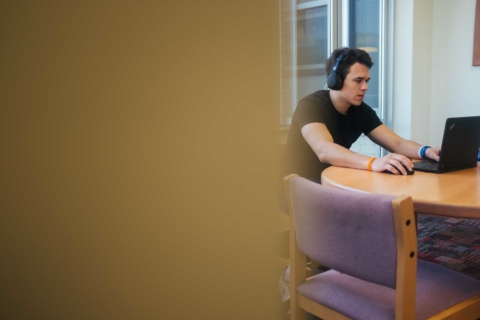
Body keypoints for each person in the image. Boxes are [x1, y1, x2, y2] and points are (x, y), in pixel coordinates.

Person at [282, 47, 441, 183]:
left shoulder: (360, 110)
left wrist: (426, 151)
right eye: (358, 80)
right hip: (300, 185)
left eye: (366, 81)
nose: (365, 87)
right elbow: (324, 150)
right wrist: (373, 162)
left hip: (335, 179)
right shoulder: (311, 105)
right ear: (335, 80)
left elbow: (397, 144)